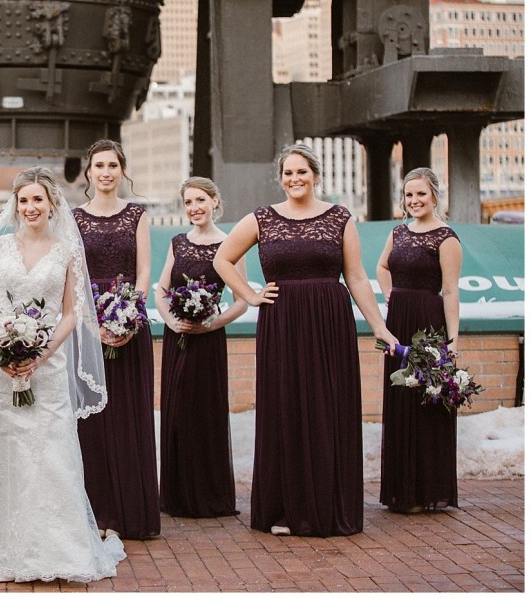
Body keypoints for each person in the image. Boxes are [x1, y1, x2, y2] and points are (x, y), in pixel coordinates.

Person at [0, 167, 124, 583]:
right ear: (15, 206)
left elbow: (72, 313)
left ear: (52, 203)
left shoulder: (68, 250)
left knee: (50, 456)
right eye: (23, 201)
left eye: (37, 199)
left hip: (47, 366)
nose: (30, 207)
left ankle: (55, 551)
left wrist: (41, 352)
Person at [213, 144, 398, 537]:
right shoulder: (262, 218)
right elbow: (221, 260)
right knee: (286, 408)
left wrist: (378, 325)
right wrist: (249, 295)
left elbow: (358, 277)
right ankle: (284, 509)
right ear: (280, 178)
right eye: (288, 173)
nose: (295, 179)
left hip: (330, 324)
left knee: (326, 408)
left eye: (302, 172)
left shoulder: (339, 217)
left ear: (315, 175)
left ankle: (326, 507)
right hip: (280, 323)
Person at [72, 139, 160, 540]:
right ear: (88, 172)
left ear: (122, 171)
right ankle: (96, 513)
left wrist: (128, 316)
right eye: (99, 166)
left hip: (130, 325)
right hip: (87, 328)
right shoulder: (73, 219)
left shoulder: (137, 215)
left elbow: (143, 272)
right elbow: (72, 280)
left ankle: (132, 514)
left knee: (131, 416)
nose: (105, 172)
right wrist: (94, 325)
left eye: (112, 165)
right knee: (92, 419)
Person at [154, 177, 247, 518]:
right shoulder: (178, 243)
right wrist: (171, 320)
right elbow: (162, 290)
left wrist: (210, 324)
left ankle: (209, 496)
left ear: (214, 202)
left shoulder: (231, 243)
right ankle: (176, 497)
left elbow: (241, 301)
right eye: (189, 202)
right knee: (176, 414)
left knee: (204, 415)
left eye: (200, 201)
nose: (194, 208)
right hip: (177, 340)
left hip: (208, 341)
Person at [376, 167, 462, 513]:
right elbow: (382, 267)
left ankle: (427, 490)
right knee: (399, 399)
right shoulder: (397, 233)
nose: (414, 201)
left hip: (429, 322)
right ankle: (401, 491)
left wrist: (453, 341)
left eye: (421, 194)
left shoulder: (447, 238)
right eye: (409, 195)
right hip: (398, 322)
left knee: (425, 403)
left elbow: (451, 290)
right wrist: (390, 297)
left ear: (435, 196)